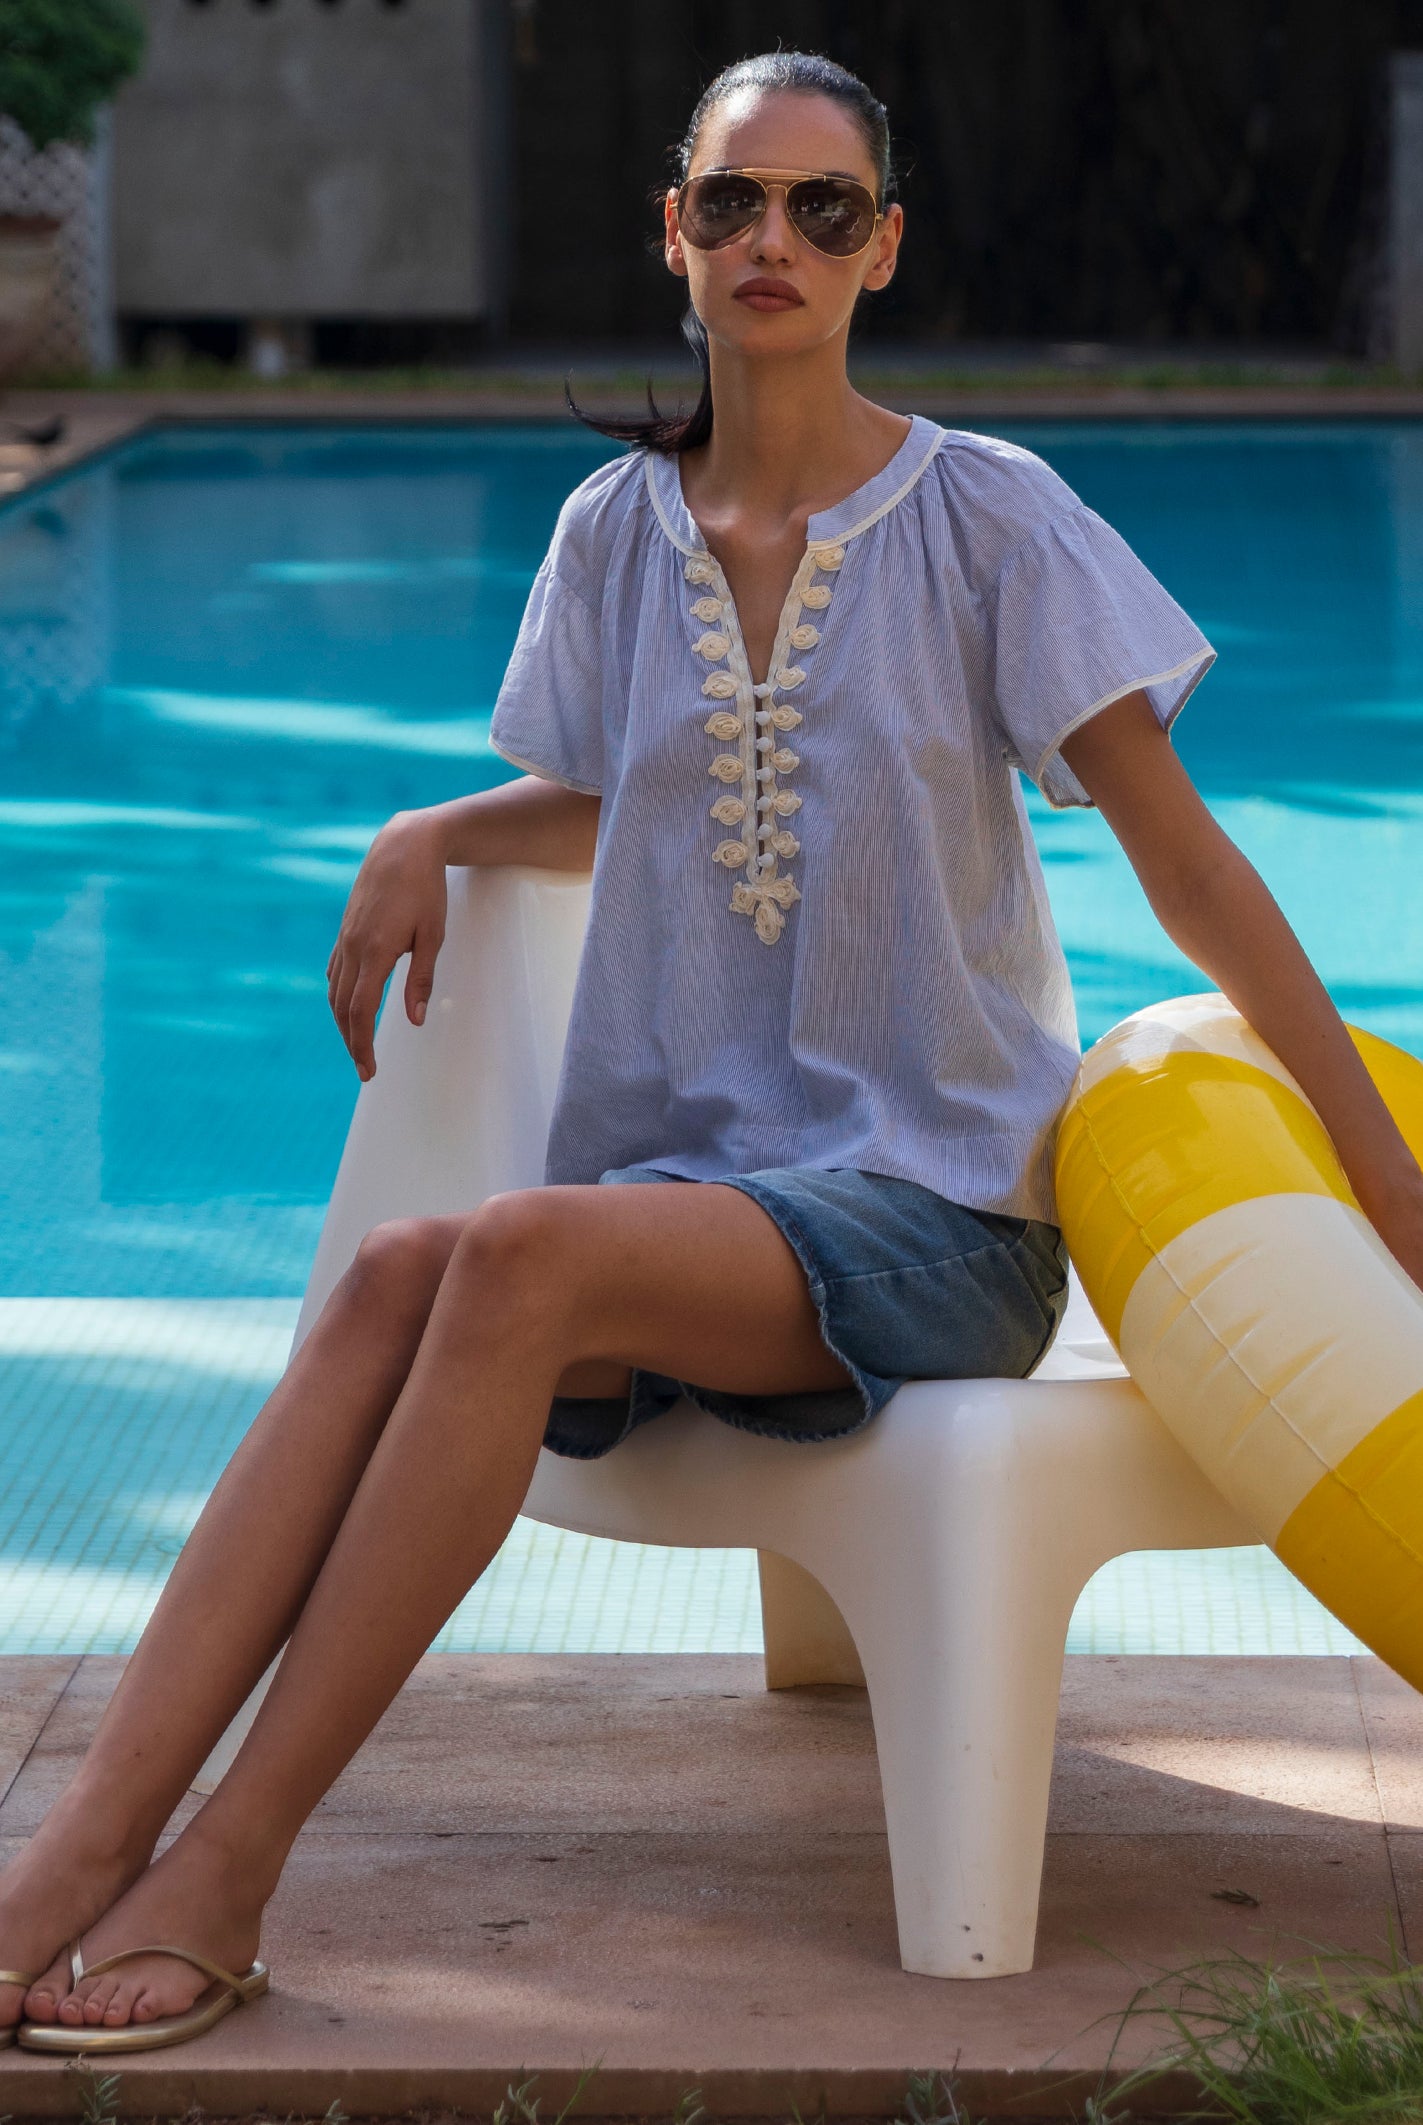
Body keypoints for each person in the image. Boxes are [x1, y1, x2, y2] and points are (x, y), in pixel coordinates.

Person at [3, 49, 1422, 2054]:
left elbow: (1190, 875)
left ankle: (223, 1879)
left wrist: (1383, 1171)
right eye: (736, 203)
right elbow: (622, 799)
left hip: (935, 1210)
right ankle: (71, 1856)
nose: (776, 241)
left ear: (881, 250)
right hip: (689, 1200)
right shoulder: (610, 530)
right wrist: (428, 829)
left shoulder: (988, 519)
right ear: (673, 235)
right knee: (402, 1269)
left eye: (822, 208)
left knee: (502, 1253)